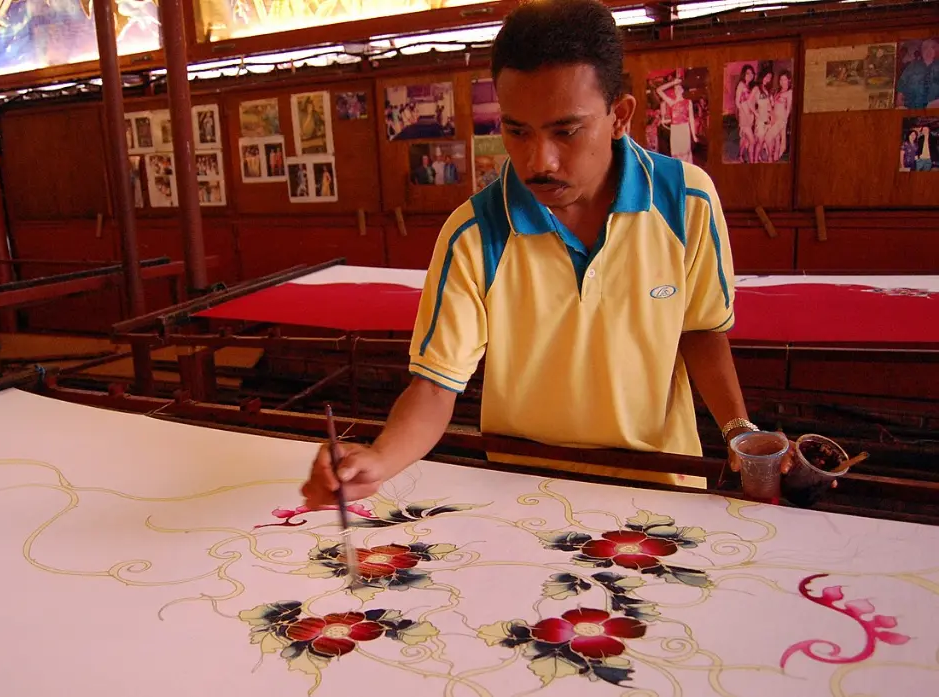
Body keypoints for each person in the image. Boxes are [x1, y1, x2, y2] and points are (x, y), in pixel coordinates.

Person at [301, 0, 784, 510]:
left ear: (619, 115)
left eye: (565, 131)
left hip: (659, 483)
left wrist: (738, 431)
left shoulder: (685, 202)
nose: (539, 161)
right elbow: (437, 386)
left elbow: (702, 327)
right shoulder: (475, 233)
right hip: (522, 496)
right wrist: (378, 459)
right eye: (517, 131)